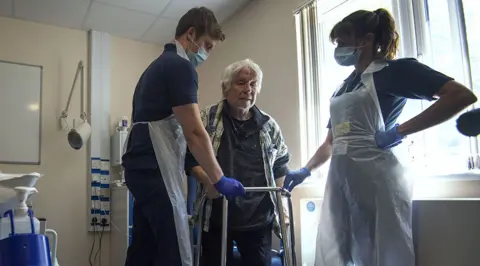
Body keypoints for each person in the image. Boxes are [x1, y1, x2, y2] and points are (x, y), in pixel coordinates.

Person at [283, 8, 477, 266]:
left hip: (377, 178)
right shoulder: (345, 87)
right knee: (339, 249)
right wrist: (305, 171)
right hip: (342, 180)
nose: (338, 49)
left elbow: (460, 95)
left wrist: (398, 132)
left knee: (381, 250)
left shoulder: (394, 72)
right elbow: (331, 142)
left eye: (343, 41)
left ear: (366, 40)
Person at [122, 7, 246, 266]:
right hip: (155, 167)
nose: (206, 54)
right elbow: (194, 132)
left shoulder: (154, 68)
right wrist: (219, 178)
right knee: (176, 245)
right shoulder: (180, 67)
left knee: (144, 246)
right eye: (207, 45)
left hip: (140, 167)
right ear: (191, 34)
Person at [185, 59, 291, 266]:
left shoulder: (269, 125)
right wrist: (208, 180)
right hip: (216, 215)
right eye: (241, 83)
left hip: (258, 216)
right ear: (226, 88)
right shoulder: (207, 118)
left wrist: (281, 205)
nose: (247, 89)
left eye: (253, 84)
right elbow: (188, 158)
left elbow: (281, 163)